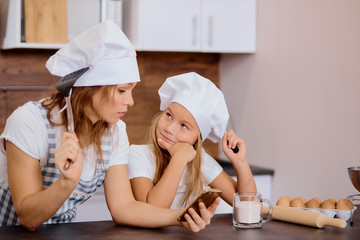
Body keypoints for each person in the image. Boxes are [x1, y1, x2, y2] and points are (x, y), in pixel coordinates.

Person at [0, 20, 219, 232]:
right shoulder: (29, 122)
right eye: (122, 91)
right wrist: (67, 182)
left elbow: (124, 208)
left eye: (131, 90)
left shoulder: (113, 132)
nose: (131, 101)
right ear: (91, 87)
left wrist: (182, 217)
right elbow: (27, 218)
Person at [128, 72, 257, 211]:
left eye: (184, 126)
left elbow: (247, 205)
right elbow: (152, 211)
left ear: (197, 139)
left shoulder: (200, 160)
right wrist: (179, 159)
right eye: (169, 115)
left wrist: (240, 162)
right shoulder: (137, 154)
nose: (170, 129)